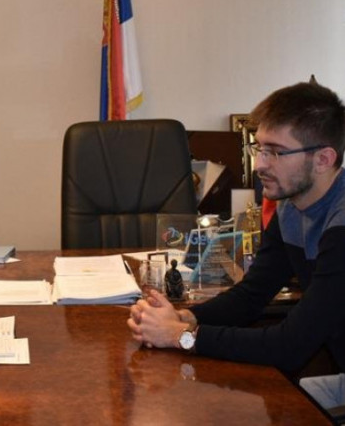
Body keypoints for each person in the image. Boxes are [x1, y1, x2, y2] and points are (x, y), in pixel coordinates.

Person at [127, 81, 345, 409]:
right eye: (260, 149)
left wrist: (178, 336)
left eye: (276, 152)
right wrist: (185, 317)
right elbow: (252, 295)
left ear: (323, 159)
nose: (260, 165)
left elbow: (289, 346)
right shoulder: (290, 207)